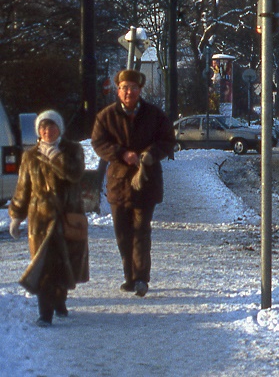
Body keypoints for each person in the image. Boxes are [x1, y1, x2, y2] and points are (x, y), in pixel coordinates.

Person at [91, 69, 174, 298]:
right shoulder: (106, 116)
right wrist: (121, 153)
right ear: (118, 90)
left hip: (146, 181)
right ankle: (129, 277)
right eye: (125, 88)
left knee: (141, 231)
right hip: (118, 184)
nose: (129, 92)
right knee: (122, 234)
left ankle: (141, 279)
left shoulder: (155, 115)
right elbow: (98, 142)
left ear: (140, 90)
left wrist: (151, 154)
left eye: (133, 88)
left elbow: (168, 140)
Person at [8, 110, 90, 327]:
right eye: (43, 127)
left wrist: (55, 156)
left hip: (68, 217)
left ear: (59, 128)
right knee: (44, 266)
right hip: (40, 221)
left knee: (64, 264)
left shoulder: (73, 150)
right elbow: (23, 189)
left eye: (52, 126)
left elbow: (75, 174)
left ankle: (59, 301)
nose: (47, 131)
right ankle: (45, 313)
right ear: (38, 130)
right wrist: (16, 216)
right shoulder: (30, 156)